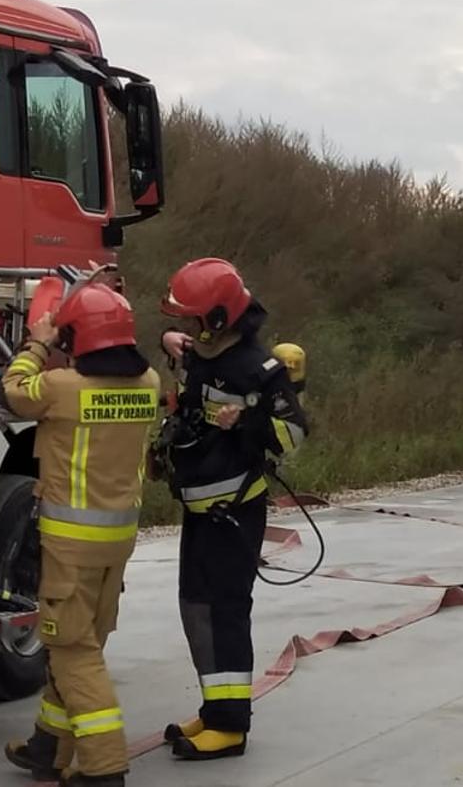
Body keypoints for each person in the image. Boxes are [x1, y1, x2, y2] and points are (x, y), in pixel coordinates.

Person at [0, 282, 161, 787]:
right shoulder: (150, 382)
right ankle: (49, 745)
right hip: (117, 542)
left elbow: (14, 391)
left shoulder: (62, 387)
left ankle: (103, 766)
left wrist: (37, 343)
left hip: (70, 545)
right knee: (81, 642)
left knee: (73, 650)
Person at [155, 258, 310, 761]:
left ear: (218, 320)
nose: (185, 330)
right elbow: (190, 364)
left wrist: (245, 420)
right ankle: (215, 708)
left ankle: (230, 726)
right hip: (200, 512)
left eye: (191, 320)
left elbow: (294, 434)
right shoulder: (205, 353)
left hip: (233, 515)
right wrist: (169, 343)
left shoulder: (258, 370)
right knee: (196, 609)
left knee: (225, 613)